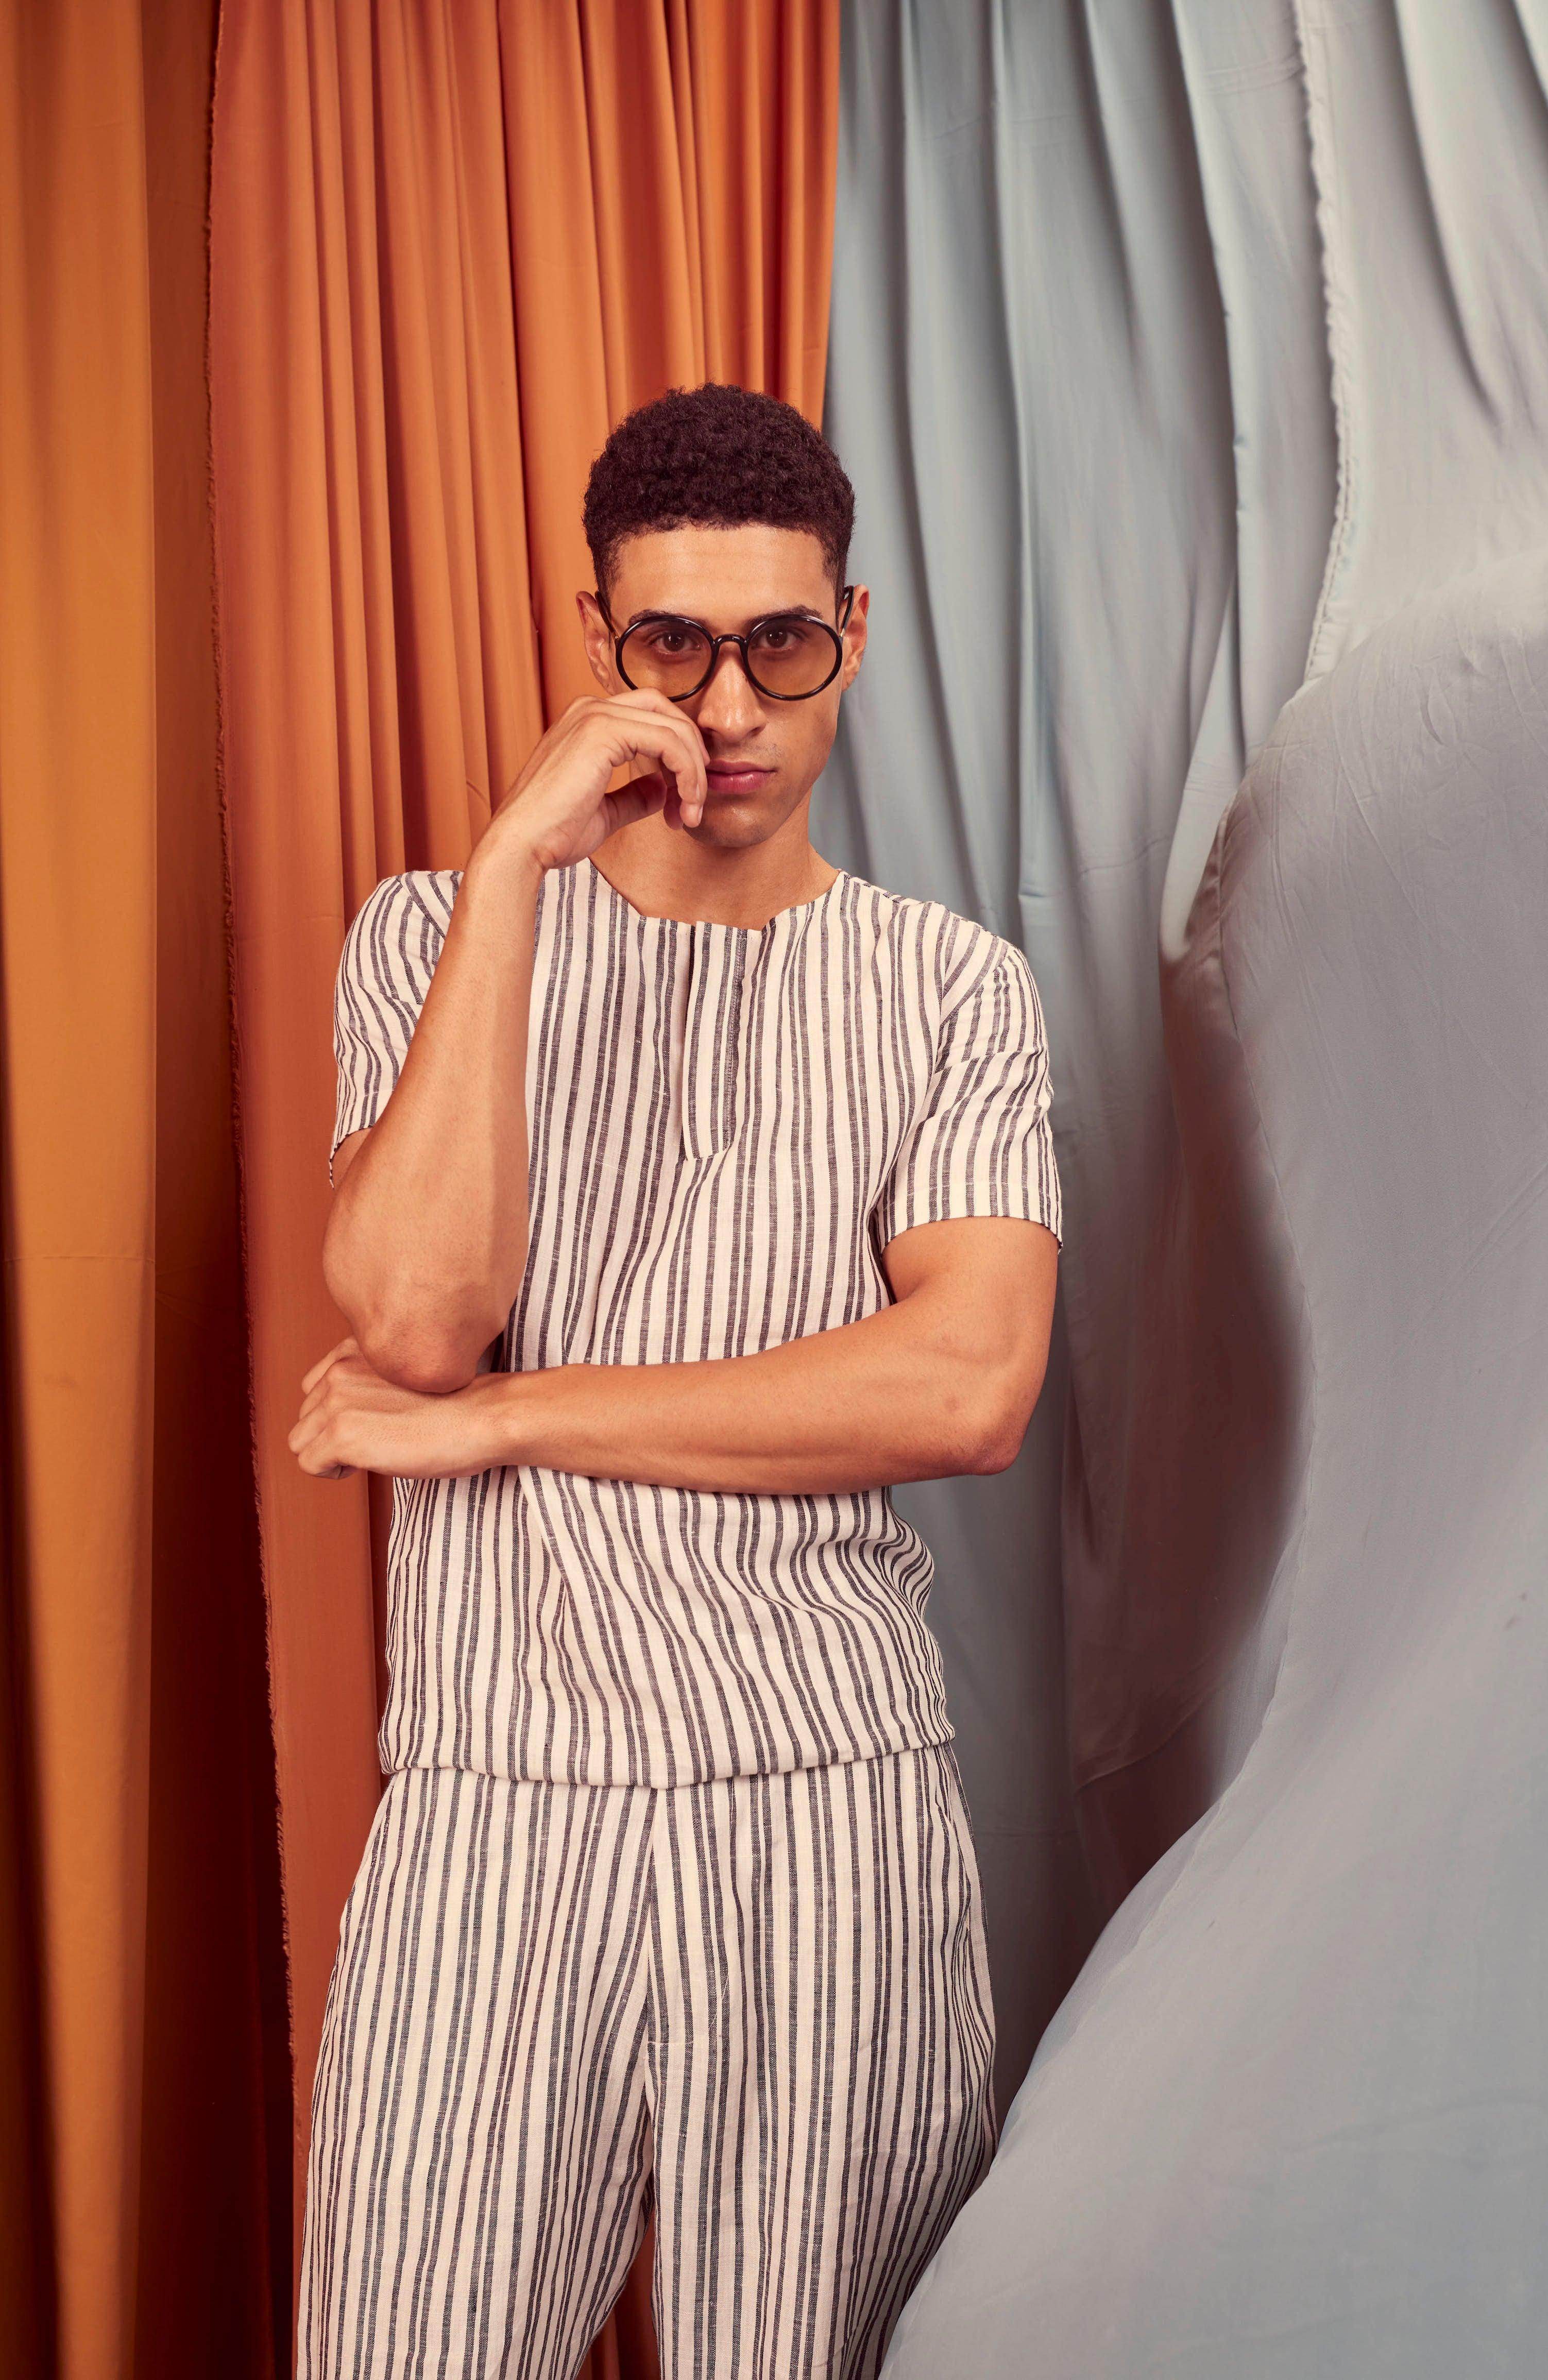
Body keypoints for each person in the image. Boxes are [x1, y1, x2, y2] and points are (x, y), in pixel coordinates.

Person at [287, 380, 1063, 2380]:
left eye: (780, 644)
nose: (727, 708)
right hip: (492, 1809)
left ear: (852, 632)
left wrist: (511, 1419)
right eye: (673, 647)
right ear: (598, 638)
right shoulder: (430, 937)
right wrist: (510, 867)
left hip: (824, 1807)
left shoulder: (948, 987)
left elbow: (965, 1387)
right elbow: (417, 1321)